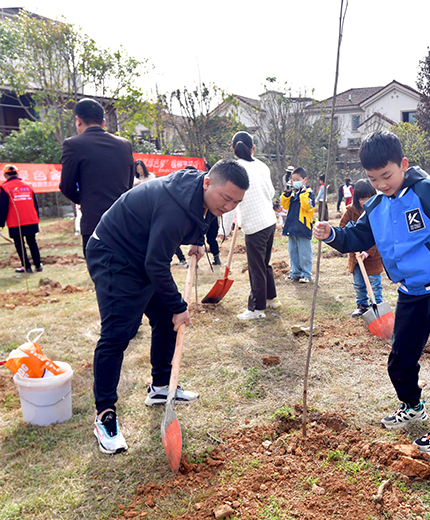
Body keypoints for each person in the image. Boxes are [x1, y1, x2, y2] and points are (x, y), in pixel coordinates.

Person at [313, 131, 430, 457]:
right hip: (409, 291)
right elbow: (355, 238)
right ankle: (413, 405)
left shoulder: (428, 192)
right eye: (374, 179)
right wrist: (331, 233)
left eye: (387, 175)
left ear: (403, 165)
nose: (382, 184)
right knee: (399, 357)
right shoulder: (375, 207)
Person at [87, 159, 249, 454]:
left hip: (142, 252)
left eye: (235, 202)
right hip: (114, 253)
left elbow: (201, 216)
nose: (227, 207)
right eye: (226, 198)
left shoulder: (201, 195)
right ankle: (104, 416)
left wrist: (198, 239)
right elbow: (156, 264)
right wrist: (179, 305)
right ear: (207, 182)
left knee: (162, 317)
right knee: (117, 334)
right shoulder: (174, 208)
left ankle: (161, 386)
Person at [60, 98, 134, 257]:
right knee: (127, 275)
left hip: (95, 225)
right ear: (103, 122)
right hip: (124, 223)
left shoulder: (72, 145)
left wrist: (84, 199)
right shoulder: (124, 144)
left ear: (78, 120)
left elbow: (66, 186)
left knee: (102, 276)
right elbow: (128, 185)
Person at [232, 131, 279, 320]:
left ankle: (256, 309)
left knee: (256, 267)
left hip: (254, 225)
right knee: (263, 263)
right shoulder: (261, 165)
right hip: (269, 221)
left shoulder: (234, 168)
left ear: (233, 149)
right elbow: (271, 192)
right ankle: (271, 298)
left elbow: (229, 202)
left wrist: (224, 229)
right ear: (253, 148)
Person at [338, 179, 383, 317]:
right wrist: (352, 239)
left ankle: (378, 305)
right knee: (358, 283)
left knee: (374, 283)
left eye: (370, 197)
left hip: (373, 257)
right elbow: (342, 228)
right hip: (356, 257)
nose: (366, 201)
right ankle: (362, 305)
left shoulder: (377, 211)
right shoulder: (350, 211)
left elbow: (380, 235)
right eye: (363, 198)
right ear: (357, 198)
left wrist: (367, 252)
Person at [0, 164, 42, 273]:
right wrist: (37, 217)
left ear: (5, 175)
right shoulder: (28, 185)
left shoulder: (5, 187)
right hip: (31, 219)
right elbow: (35, 204)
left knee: (19, 244)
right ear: (17, 173)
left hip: (15, 221)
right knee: (32, 242)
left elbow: (3, 206)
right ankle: (38, 265)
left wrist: (1, 223)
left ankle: (26, 267)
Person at [281, 167, 315, 283]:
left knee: (304, 253)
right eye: (292, 179)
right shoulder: (293, 193)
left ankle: (306, 274)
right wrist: (287, 193)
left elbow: (308, 207)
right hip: (291, 226)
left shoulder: (309, 193)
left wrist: (303, 193)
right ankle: (295, 273)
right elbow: (285, 205)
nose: (294, 182)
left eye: (297, 179)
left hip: (303, 227)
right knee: (293, 252)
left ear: (304, 180)